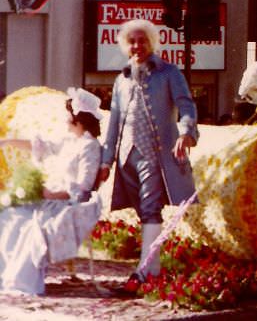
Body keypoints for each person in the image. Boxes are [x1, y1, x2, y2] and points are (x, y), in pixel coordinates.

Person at [97, 19, 198, 291]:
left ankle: (143, 273)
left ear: (151, 42)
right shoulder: (121, 79)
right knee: (144, 211)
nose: (137, 45)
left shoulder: (169, 72)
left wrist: (187, 131)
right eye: (132, 41)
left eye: (142, 40)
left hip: (155, 154)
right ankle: (153, 270)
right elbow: (114, 123)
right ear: (125, 45)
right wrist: (107, 161)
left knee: (151, 207)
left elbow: (185, 104)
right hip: (127, 155)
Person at [0, 88, 103, 295]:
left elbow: (83, 187)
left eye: (68, 117)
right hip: (53, 198)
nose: (65, 121)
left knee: (31, 226)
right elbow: (41, 146)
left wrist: (52, 195)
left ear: (79, 120)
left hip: (68, 204)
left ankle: (21, 281)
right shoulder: (70, 141)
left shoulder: (89, 147)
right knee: (10, 215)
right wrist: (6, 142)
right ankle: (5, 275)